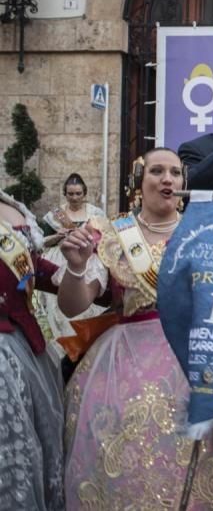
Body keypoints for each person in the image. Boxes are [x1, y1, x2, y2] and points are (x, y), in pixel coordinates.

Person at [58, 148, 213, 509]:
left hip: (195, 360)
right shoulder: (112, 235)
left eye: (175, 172)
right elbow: (74, 305)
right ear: (139, 182)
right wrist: (77, 267)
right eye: (157, 171)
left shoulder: (207, 232)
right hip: (124, 363)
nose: (167, 179)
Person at [0, 189, 64, 510]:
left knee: (36, 447)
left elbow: (30, 271)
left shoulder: (9, 206)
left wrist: (86, 277)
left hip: (25, 346)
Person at [34, 173, 107, 357]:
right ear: (65, 194)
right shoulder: (55, 215)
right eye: (70, 194)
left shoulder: (95, 214)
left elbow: (105, 239)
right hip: (59, 259)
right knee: (56, 306)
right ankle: (60, 348)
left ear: (85, 194)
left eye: (78, 193)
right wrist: (58, 235)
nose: (74, 197)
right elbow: (42, 241)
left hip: (88, 260)